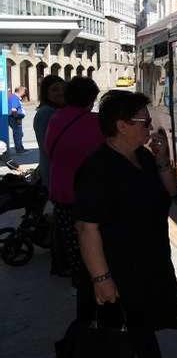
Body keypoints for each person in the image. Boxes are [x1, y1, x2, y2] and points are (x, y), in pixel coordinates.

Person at [73, 91, 177, 357]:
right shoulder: (96, 169)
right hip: (119, 271)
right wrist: (102, 279)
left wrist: (162, 159)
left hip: (148, 266)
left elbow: (170, 192)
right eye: (144, 122)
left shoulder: (143, 157)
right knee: (121, 342)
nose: (151, 127)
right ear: (122, 126)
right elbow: (87, 229)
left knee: (143, 333)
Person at [44, 77, 103, 286]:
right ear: (90, 99)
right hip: (87, 197)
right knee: (93, 250)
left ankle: (81, 293)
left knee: (74, 249)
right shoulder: (96, 122)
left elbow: (50, 150)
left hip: (61, 192)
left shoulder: (55, 118)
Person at [33, 75, 67, 275]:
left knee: (60, 217)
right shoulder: (46, 113)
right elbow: (50, 147)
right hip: (54, 171)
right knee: (61, 220)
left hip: (56, 170)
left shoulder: (56, 111)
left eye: (62, 89)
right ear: (45, 93)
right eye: (55, 90)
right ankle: (60, 261)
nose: (60, 93)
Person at [7, 86, 27, 153]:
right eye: (24, 91)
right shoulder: (14, 98)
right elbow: (14, 110)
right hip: (14, 118)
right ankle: (19, 149)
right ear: (20, 91)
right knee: (18, 134)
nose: (24, 93)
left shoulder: (14, 97)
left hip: (14, 118)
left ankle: (20, 148)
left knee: (19, 133)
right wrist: (17, 118)